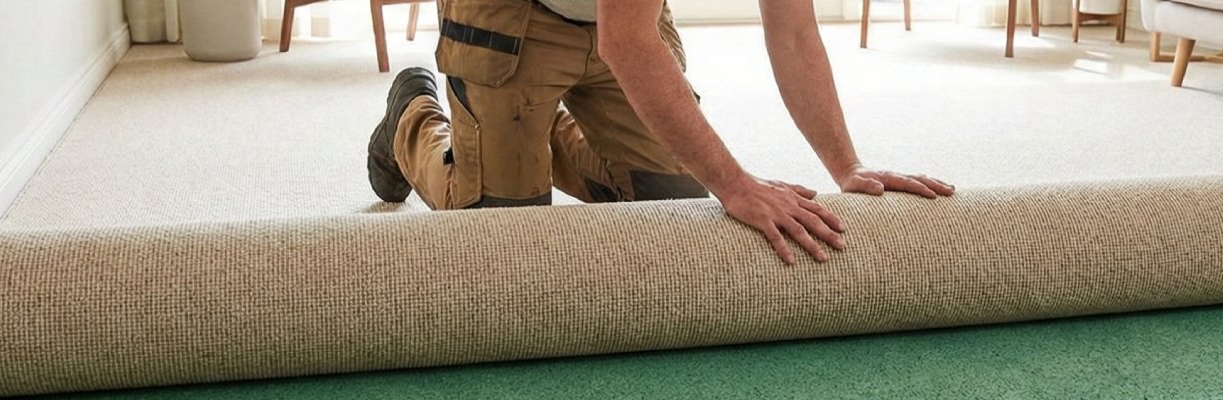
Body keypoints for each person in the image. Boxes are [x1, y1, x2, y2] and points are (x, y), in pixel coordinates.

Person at [368, 0, 954, 264]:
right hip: (510, 12)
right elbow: (626, 41)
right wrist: (735, 183)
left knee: (667, 203)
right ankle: (412, 117)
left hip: (624, 15)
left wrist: (846, 165)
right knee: (501, 235)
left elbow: (794, 32)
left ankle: (531, 127)